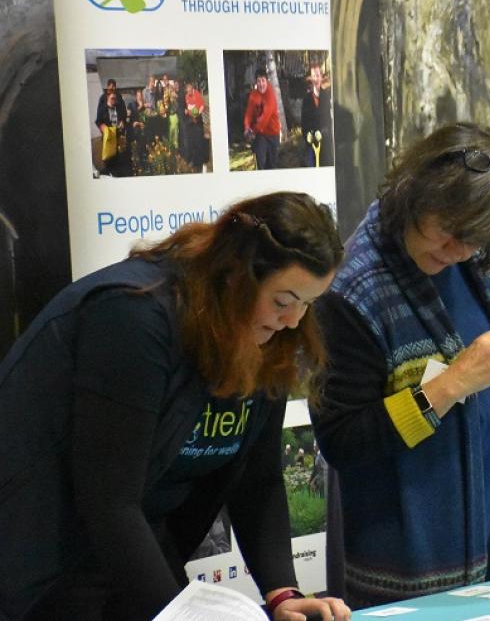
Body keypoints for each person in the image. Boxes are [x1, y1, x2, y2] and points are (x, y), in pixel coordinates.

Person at [0, 192, 351, 621]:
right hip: (40, 559)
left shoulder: (268, 337)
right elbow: (110, 503)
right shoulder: (134, 315)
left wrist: (283, 594)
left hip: (129, 552)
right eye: (283, 301)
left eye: (307, 304)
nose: (293, 320)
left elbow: (257, 480)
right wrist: (176, 615)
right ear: (235, 274)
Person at [310, 122, 490, 608]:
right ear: (416, 195)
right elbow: (342, 439)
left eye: (474, 240)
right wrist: (453, 384)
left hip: (480, 541)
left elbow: (471, 362)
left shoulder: (467, 265)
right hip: (396, 565)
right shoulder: (352, 292)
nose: (457, 250)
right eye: (448, 231)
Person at [244, 68, 281, 170]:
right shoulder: (253, 95)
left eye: (263, 81)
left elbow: (264, 119)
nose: (261, 84)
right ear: (256, 82)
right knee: (261, 162)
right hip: (260, 135)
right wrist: (247, 127)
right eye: (258, 81)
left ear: (267, 81)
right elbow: (248, 114)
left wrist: (252, 131)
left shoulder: (270, 95)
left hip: (273, 133)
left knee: (272, 165)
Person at [300, 63, 333, 167]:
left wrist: (323, 133)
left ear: (321, 77)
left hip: (326, 144)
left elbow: (330, 120)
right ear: (311, 78)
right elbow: (304, 122)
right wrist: (308, 136)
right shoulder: (306, 99)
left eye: (318, 75)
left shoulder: (327, 96)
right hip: (312, 145)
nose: (316, 78)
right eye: (314, 76)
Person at [95, 89, 129, 177]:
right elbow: (98, 121)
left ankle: (117, 175)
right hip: (108, 137)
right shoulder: (102, 109)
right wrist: (102, 126)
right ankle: (108, 175)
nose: (114, 100)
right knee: (109, 158)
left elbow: (123, 117)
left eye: (115, 99)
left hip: (118, 135)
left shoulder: (118, 107)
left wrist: (122, 122)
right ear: (107, 98)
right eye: (112, 99)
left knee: (119, 157)